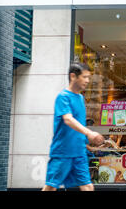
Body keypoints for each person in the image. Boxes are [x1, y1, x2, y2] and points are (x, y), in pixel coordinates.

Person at [42, 62, 104, 191]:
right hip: (62, 152)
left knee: (88, 186)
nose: (87, 81)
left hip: (79, 152)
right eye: (84, 77)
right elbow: (68, 119)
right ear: (73, 76)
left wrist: (88, 143)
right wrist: (89, 133)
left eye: (88, 77)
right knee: (51, 187)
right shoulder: (63, 97)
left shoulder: (81, 98)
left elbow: (79, 125)